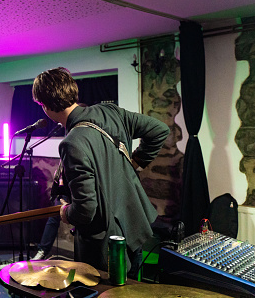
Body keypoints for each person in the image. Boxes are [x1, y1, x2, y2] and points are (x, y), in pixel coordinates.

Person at [32, 67, 169, 278]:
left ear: (46, 106)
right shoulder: (111, 111)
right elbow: (159, 130)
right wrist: (135, 163)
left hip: (106, 245)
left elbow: (85, 210)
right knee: (131, 291)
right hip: (134, 226)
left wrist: (66, 213)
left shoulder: (72, 143)